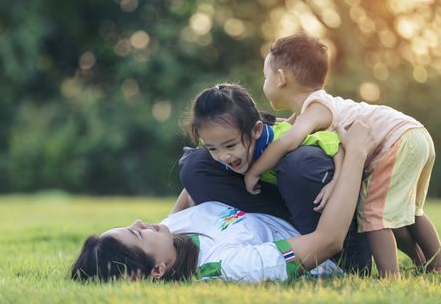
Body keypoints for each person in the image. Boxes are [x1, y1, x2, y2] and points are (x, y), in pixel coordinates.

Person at [243, 33, 441, 277]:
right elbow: (287, 130)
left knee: (373, 214)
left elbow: (289, 141)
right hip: (415, 134)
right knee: (412, 212)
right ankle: (439, 266)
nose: (264, 82)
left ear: (280, 78)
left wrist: (255, 170)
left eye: (265, 76)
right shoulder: (313, 110)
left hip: (395, 141)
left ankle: (389, 278)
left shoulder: (316, 108)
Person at [71, 120, 375, 282]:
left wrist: (268, 136)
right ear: (157, 270)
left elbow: (195, 183)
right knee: (300, 166)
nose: (139, 222)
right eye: (137, 233)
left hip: (278, 211)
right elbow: (328, 241)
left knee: (193, 166)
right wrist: (355, 154)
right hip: (331, 242)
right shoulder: (229, 266)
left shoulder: (170, 232)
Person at [175, 84, 371, 274]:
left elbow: (333, 144)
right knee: (193, 165)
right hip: (281, 217)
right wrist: (170, 224)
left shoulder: (285, 137)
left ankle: (341, 259)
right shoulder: (226, 153)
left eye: (230, 145)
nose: (224, 156)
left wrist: (336, 181)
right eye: (213, 148)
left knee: (298, 164)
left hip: (319, 212)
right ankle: (280, 239)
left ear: (256, 130)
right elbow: (195, 181)